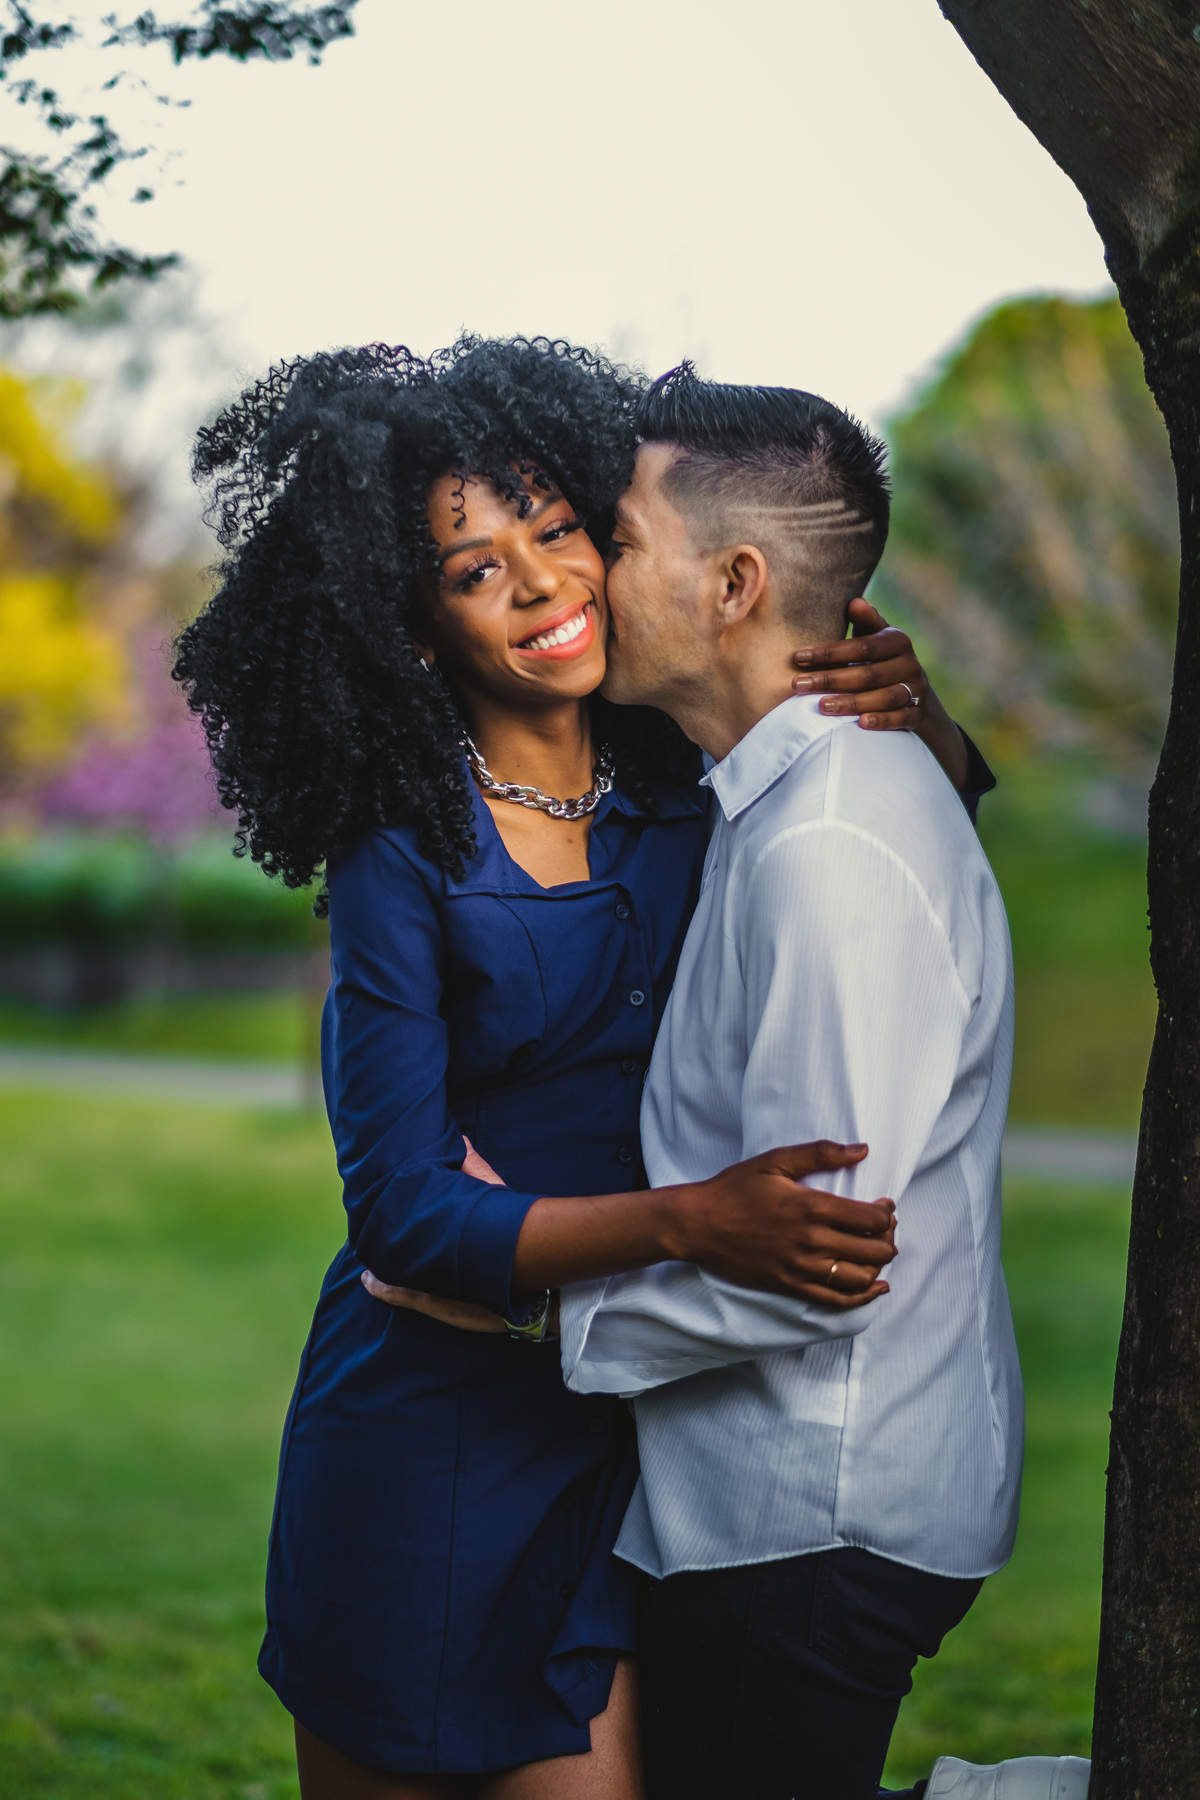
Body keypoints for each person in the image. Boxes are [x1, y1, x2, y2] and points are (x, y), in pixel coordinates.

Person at [173, 337, 979, 1800]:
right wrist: (692, 1221)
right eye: (475, 569)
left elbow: (878, 852)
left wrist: (923, 715)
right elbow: (402, 1215)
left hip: (632, 1430)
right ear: (414, 627)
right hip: (428, 1429)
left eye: (559, 531)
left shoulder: (687, 776)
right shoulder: (401, 850)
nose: (543, 583)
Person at [545, 365, 1024, 1800]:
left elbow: (813, 1264)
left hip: (810, 1512)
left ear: (735, 584)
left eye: (622, 538)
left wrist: (531, 1309)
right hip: (775, 1498)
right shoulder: (784, 802)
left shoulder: (830, 845)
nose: (591, 568)